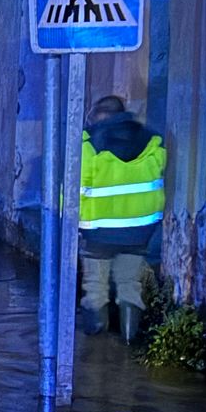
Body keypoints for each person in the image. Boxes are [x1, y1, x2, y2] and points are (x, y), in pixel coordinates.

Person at [78, 93, 165, 341]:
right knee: (130, 286)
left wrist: (68, 221)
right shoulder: (152, 141)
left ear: (97, 116)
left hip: (98, 231)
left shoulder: (89, 145)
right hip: (139, 231)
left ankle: (94, 352)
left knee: (95, 287)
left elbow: (76, 188)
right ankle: (128, 342)